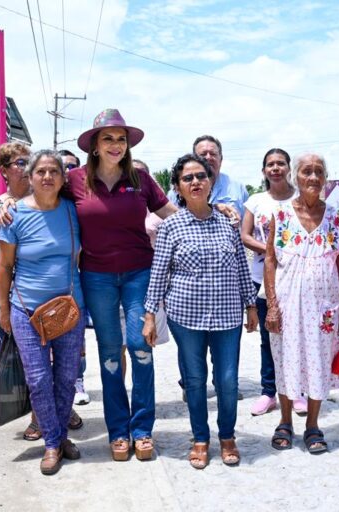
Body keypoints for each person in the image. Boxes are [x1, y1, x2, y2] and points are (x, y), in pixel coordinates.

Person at [71, 109, 177, 462]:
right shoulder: (74, 181)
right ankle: (118, 431)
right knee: (110, 354)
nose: (116, 144)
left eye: (121, 138)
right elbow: (41, 201)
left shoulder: (142, 180)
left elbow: (174, 217)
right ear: (95, 146)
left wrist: (212, 211)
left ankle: (143, 430)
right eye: (108, 138)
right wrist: (11, 202)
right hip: (96, 276)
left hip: (139, 274)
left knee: (140, 346)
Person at [143, 153, 258, 470]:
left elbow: (240, 268)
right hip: (186, 317)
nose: (195, 182)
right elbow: (159, 273)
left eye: (200, 176)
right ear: (178, 186)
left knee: (228, 381)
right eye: (187, 178)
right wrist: (150, 315)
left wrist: (251, 305)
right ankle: (200, 439)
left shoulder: (228, 223)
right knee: (194, 381)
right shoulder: (172, 227)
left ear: (210, 182)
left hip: (227, 316)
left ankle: (227, 437)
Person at [0, 150, 86, 475]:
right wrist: (4, 308)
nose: (47, 177)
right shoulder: (13, 215)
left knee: (66, 378)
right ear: (30, 177)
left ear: (63, 179)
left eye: (54, 172)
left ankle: (58, 436)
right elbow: (5, 267)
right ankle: (52, 442)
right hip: (25, 309)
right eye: (41, 171)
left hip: (68, 309)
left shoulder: (73, 211)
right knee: (37, 379)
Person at [263, 152, 339, 454]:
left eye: (319, 172)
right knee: (285, 359)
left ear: (325, 178)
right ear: (295, 177)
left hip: (325, 303)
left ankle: (313, 425)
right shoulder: (282, 213)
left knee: (319, 360)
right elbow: (270, 260)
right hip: (286, 302)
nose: (313, 177)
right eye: (306, 172)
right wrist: (271, 305)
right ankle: (285, 421)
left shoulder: (336, 216)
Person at [0, 142, 47, 442]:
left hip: (47, 293)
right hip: (12, 299)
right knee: (24, 359)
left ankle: (54, 409)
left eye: (29, 162)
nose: (26, 168)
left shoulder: (45, 201)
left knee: (54, 357)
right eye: (19, 163)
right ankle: (37, 416)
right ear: (4, 170)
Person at [240, 148, 300, 417]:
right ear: (264, 170)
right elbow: (244, 234)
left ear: (289, 168)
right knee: (268, 337)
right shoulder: (256, 201)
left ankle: (296, 391)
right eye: (270, 164)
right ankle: (268, 392)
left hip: (296, 277)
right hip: (262, 278)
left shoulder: (301, 199)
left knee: (296, 336)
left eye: (280, 163)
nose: (275, 168)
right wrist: (270, 248)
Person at [58, 148, 90, 407]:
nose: (68, 172)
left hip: (80, 282)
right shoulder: (33, 202)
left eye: (72, 167)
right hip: (46, 289)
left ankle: (78, 382)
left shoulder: (81, 200)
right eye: (63, 166)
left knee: (76, 344)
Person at [167, 135, 249, 217]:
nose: (208, 157)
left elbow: (247, 224)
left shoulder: (238, 188)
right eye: (203, 154)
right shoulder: (175, 193)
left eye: (213, 154)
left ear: (221, 159)